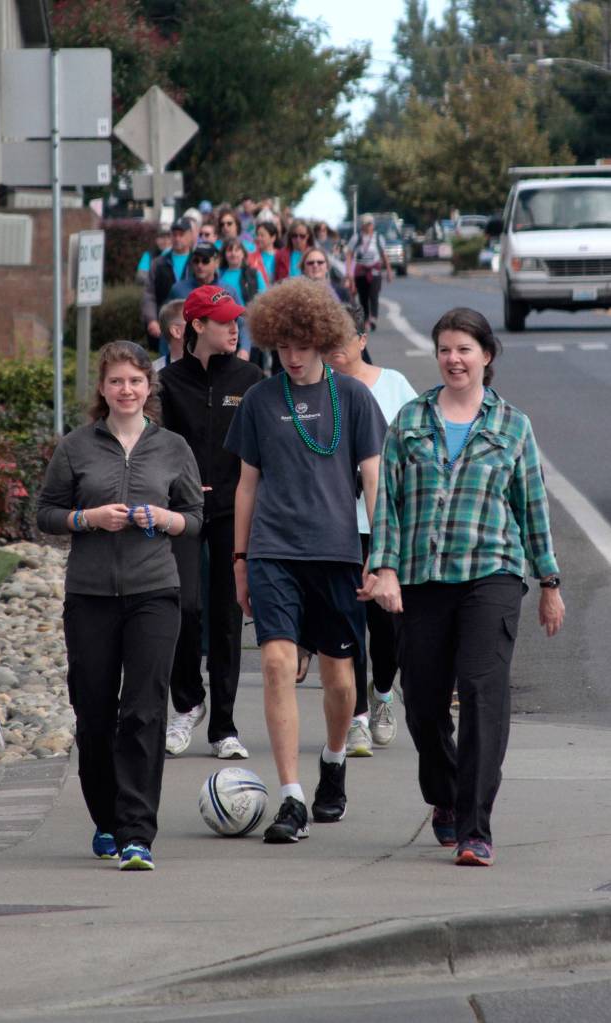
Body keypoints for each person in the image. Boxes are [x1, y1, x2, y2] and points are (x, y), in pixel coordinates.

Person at [364, 307, 565, 866]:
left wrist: (549, 581)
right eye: (445, 350)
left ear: (486, 356)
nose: (454, 359)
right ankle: (446, 793)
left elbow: (532, 507)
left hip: (492, 574)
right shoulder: (410, 420)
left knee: (482, 694)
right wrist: (384, 568)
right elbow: (388, 504)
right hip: (423, 578)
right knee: (423, 703)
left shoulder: (513, 426)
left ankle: (476, 827)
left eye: (464, 349)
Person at [225, 277, 387, 844]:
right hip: (273, 551)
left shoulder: (355, 398)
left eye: (302, 345)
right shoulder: (259, 400)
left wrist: (381, 555)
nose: (292, 357)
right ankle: (291, 797)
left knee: (340, 678)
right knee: (276, 663)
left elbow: (374, 478)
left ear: (323, 340)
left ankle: (334, 758)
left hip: (337, 553)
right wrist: (240, 559)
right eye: (283, 347)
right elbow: (247, 485)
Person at [37, 341, 203, 871]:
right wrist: (87, 519)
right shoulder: (76, 447)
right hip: (90, 596)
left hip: (154, 591)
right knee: (94, 714)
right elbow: (45, 513)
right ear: (103, 388)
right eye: (116, 381)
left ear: (149, 387)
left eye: (135, 381)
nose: (126, 390)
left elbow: (195, 517)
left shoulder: (173, 447)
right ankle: (106, 818)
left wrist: (165, 518)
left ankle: (137, 832)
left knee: (144, 711)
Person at [160, 285, 263, 760]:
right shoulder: (165, 382)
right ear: (197, 325)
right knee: (182, 608)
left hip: (232, 511)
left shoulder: (251, 378)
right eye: (223, 321)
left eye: (236, 319)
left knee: (226, 617)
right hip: (179, 512)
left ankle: (224, 726)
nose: (234, 328)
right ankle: (187, 704)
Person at [326, 305, 416, 756]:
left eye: (343, 338)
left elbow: (418, 445)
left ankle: (382, 693)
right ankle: (357, 717)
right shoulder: (316, 389)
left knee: (387, 626)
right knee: (347, 621)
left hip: (386, 522)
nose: (334, 349)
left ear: (362, 340)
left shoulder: (395, 384)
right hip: (337, 524)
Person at [168, 240, 251, 360]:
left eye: (205, 261)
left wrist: (244, 349)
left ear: (216, 262)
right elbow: (168, 324)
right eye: (196, 261)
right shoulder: (178, 289)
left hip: (221, 357)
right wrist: (168, 357)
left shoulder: (227, 290)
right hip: (186, 357)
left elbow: (243, 322)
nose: (200, 265)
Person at [141, 218, 193, 347]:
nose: (177, 238)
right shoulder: (158, 263)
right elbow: (149, 294)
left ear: (190, 235)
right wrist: (152, 320)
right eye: (174, 235)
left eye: (181, 234)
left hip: (192, 325)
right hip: (165, 325)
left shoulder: (198, 262)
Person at [346, 213, 393, 332]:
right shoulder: (357, 238)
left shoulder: (378, 238)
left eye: (370, 224)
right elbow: (349, 254)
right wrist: (349, 272)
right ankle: (366, 318)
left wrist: (388, 270)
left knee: (374, 294)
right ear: (362, 225)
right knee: (363, 296)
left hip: (374, 270)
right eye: (366, 224)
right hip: (361, 271)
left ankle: (373, 318)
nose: (368, 227)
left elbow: (384, 255)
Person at [152, 299, 186, 372]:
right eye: (194, 322)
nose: (202, 327)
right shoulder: (154, 372)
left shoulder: (210, 368)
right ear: (176, 331)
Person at [252, 220, 279, 285]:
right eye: (257, 235)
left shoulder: (280, 256)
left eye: (262, 235)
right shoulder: (252, 256)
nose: (258, 238)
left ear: (273, 238)